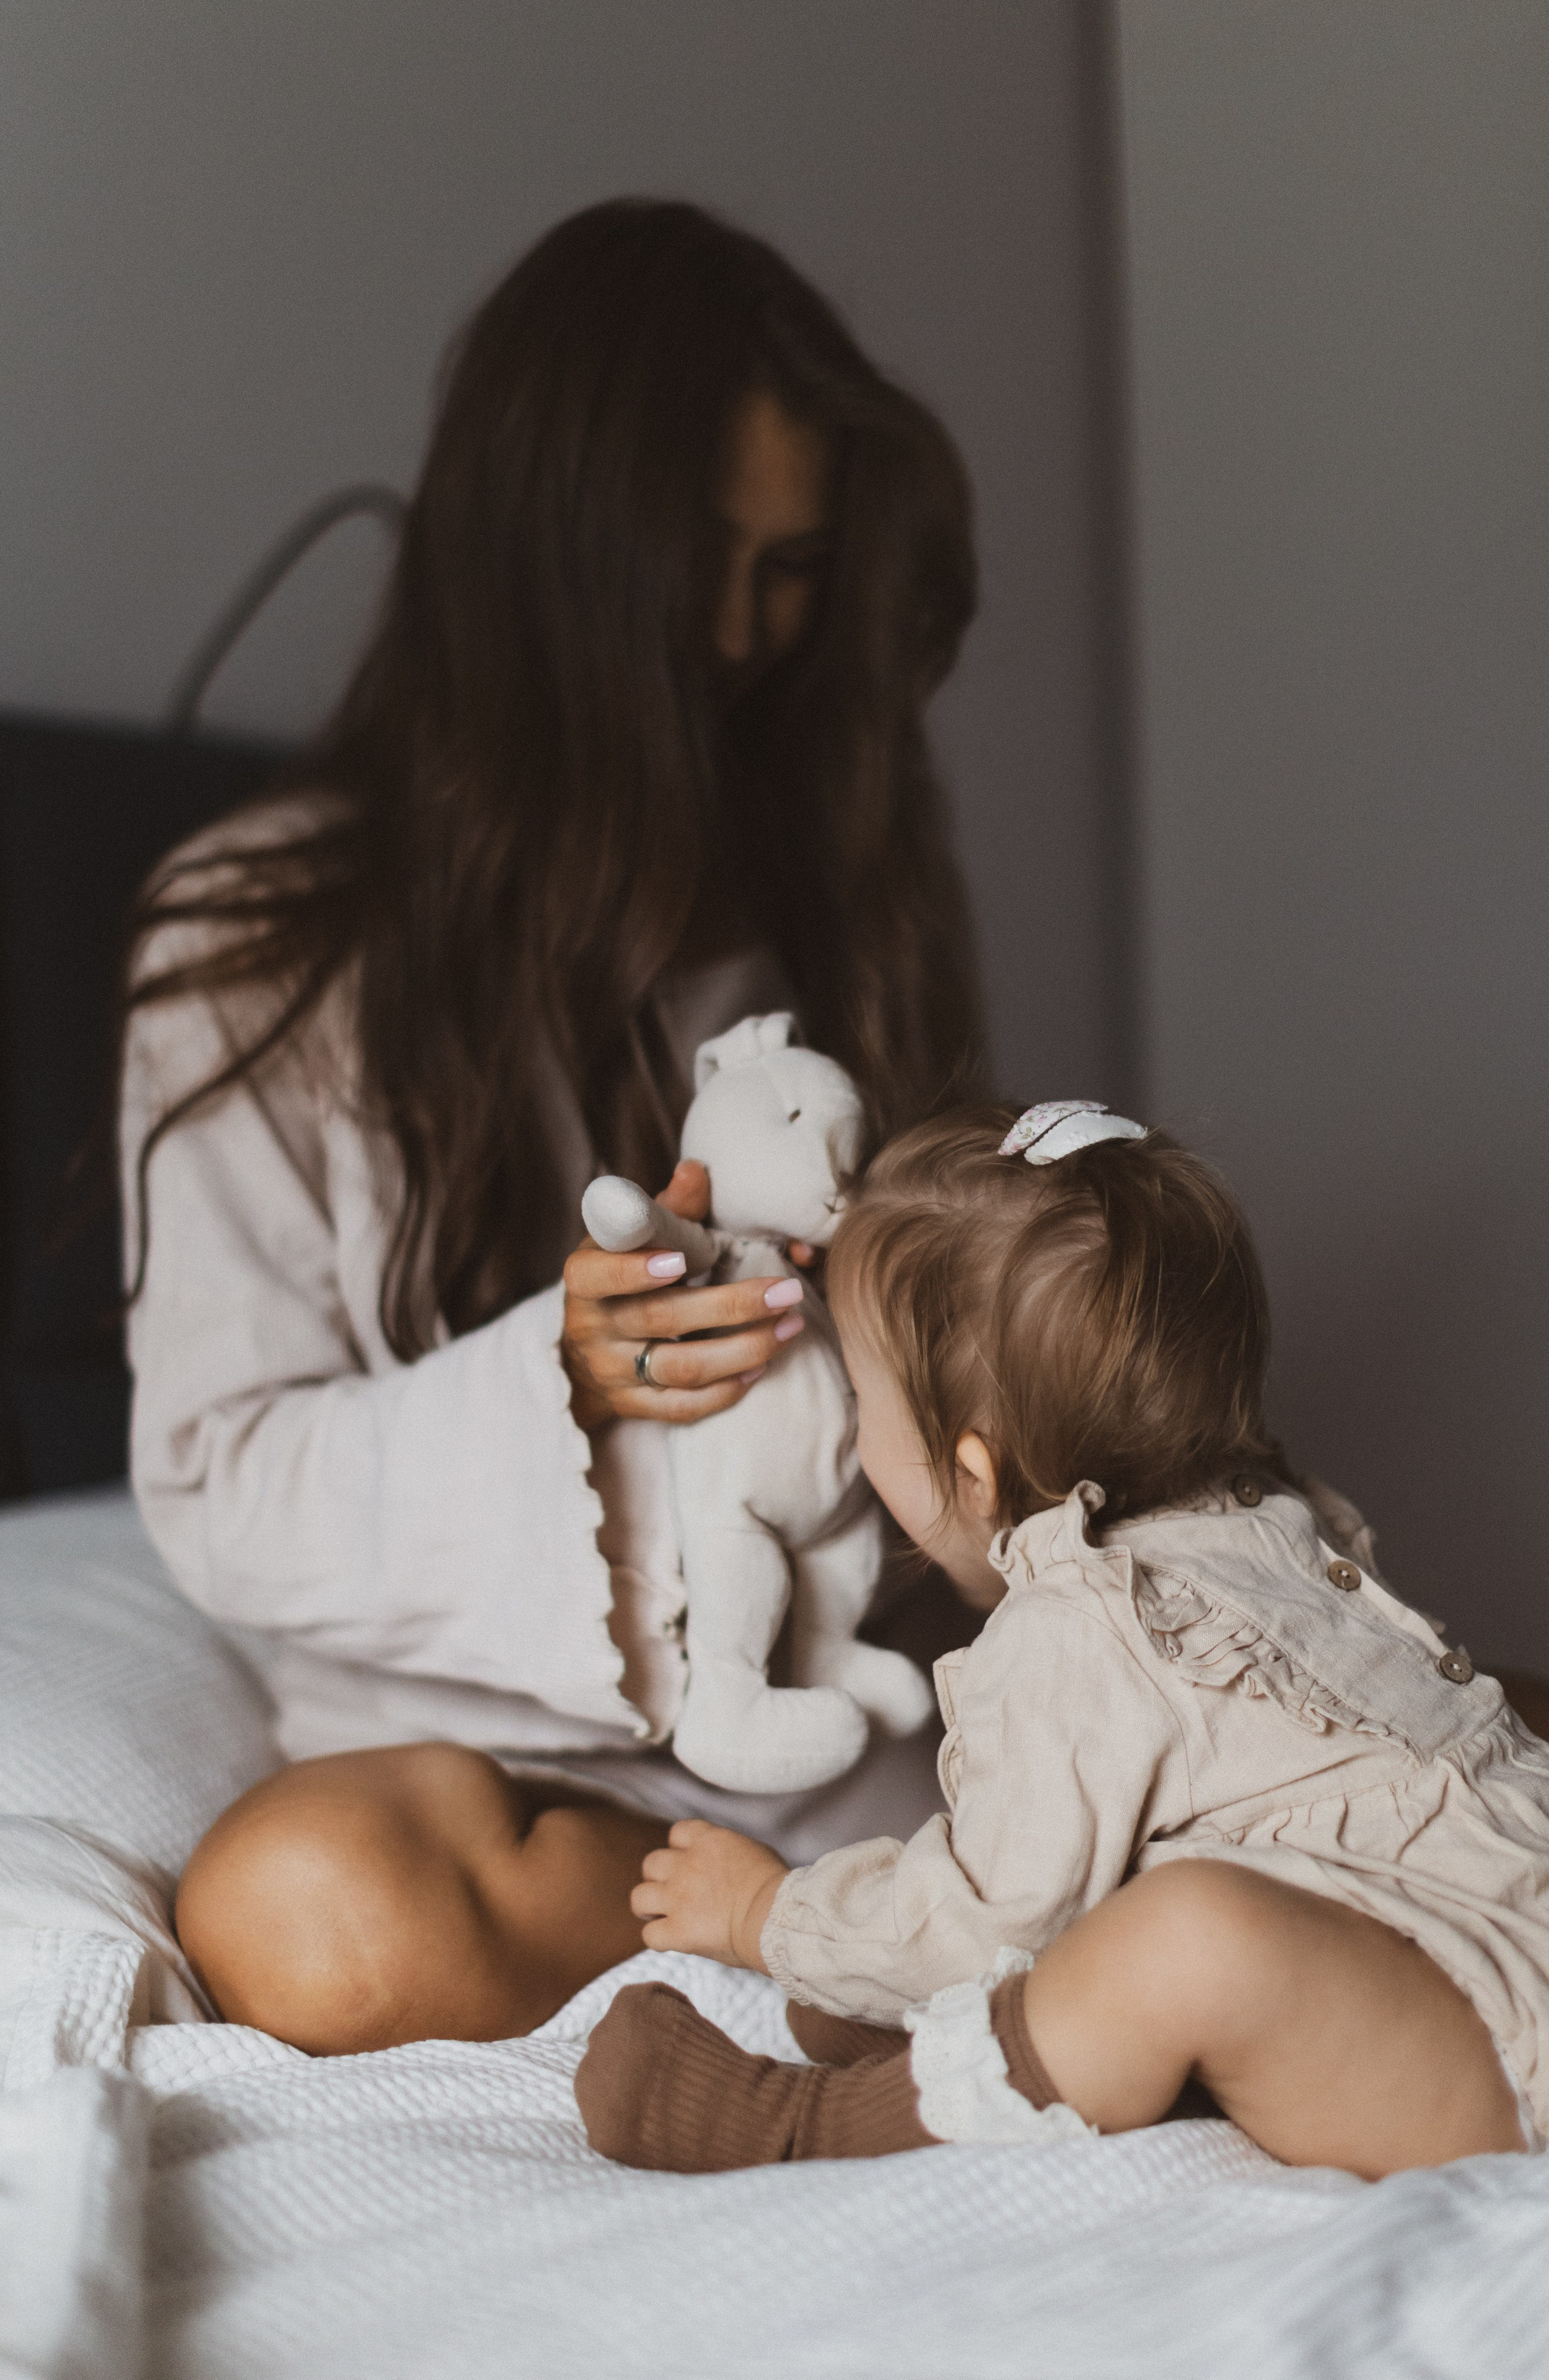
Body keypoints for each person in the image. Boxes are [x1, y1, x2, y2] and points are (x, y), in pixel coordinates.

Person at [123, 198, 986, 2053]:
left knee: (1447, 1712)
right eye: (703, 564)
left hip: (850, 1708)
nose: (749, 637)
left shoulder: (823, 900)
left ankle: (912, 1929)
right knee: (305, 1906)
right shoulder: (255, 944)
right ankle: (894, 1955)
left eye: (794, 569)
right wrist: (570, 1378)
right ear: (553, 555)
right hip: (522, 1784)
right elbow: (216, 1478)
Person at [574, 1103, 1549, 2174]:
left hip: (1506, 2067)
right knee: (1163, 1906)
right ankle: (979, 2030)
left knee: (1193, 1938)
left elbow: (984, 1913)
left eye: (858, 1395)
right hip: (1531, 1958)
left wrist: (767, 1915)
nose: (847, 1422)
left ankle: (804, 2129)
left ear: (971, 1475)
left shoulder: (1077, 1624)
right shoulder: (1276, 1518)